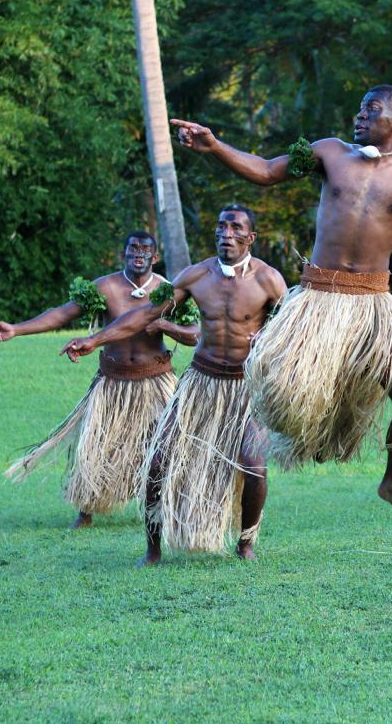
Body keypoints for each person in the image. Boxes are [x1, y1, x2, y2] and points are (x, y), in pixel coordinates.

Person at [170, 85, 392, 533]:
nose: (360, 116)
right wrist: (214, 145)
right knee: (284, 397)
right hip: (318, 298)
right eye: (359, 108)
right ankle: (251, 454)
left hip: (373, 304)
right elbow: (264, 171)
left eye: (372, 110)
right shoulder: (329, 153)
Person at [60, 206, 287, 561]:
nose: (225, 232)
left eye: (235, 227)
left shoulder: (269, 279)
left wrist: (269, 342)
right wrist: (96, 340)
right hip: (200, 384)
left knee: (254, 465)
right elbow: (145, 314)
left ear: (250, 237)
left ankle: (245, 545)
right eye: (220, 225)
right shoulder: (195, 276)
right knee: (158, 460)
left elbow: (289, 329)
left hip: (245, 387)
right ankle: (152, 549)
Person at [0, 232, 197, 528]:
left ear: (155, 257)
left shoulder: (168, 290)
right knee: (94, 448)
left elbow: (194, 334)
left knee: (168, 447)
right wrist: (17, 329)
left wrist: (164, 325)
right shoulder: (105, 286)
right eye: (133, 247)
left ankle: (166, 506)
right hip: (112, 383)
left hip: (156, 382)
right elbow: (61, 315)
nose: (139, 253)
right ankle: (86, 510)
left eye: (146, 249)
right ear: (123, 252)